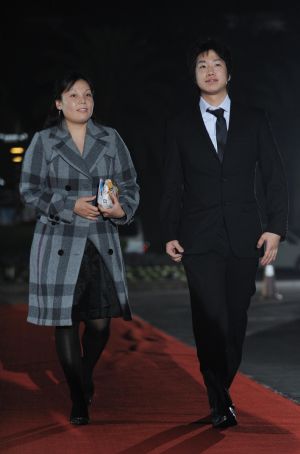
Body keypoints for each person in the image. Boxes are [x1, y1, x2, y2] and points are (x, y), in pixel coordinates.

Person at [160, 39, 288, 429]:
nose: (210, 70)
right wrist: (168, 231)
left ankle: (221, 388)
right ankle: (219, 399)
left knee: (235, 318)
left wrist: (275, 229)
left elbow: (274, 177)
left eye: (216, 64)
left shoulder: (254, 119)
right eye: (202, 65)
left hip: (244, 236)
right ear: (194, 75)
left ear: (229, 73)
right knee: (209, 317)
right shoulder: (180, 125)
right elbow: (171, 183)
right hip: (198, 238)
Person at [20, 72, 139, 425]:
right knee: (66, 323)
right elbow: (28, 190)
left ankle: (84, 375)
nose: (82, 101)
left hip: (100, 240)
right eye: (73, 96)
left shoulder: (110, 138)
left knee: (101, 325)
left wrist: (121, 209)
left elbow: (130, 184)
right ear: (59, 103)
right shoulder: (43, 142)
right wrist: (69, 204)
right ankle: (77, 396)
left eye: (87, 95)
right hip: (59, 241)